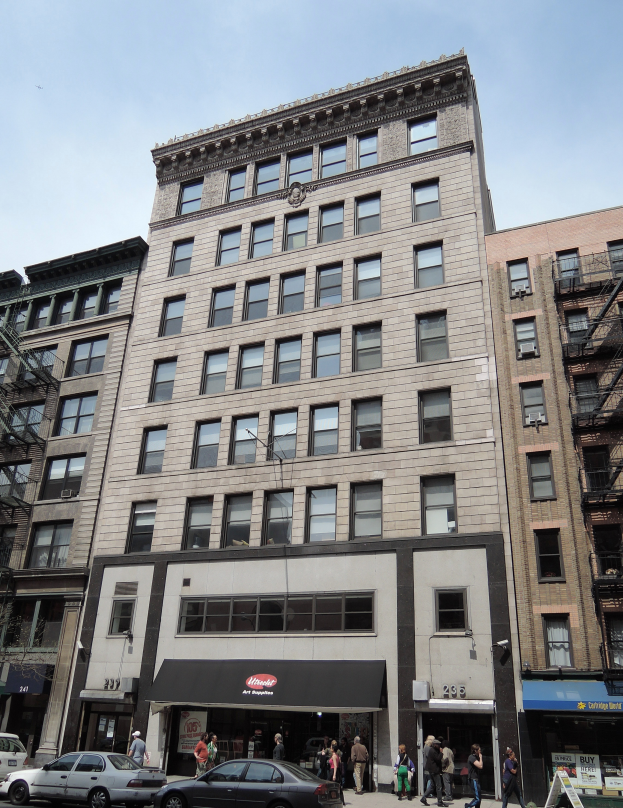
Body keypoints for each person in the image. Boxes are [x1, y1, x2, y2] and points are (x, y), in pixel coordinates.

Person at [421, 738, 449, 807]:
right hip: (434, 770)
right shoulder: (433, 751)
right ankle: (440, 802)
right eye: (438, 745)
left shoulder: (433, 750)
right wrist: (441, 752)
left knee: (432, 785)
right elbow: (438, 759)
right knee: (439, 786)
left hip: (432, 770)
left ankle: (423, 798)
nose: (439, 746)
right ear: (435, 745)